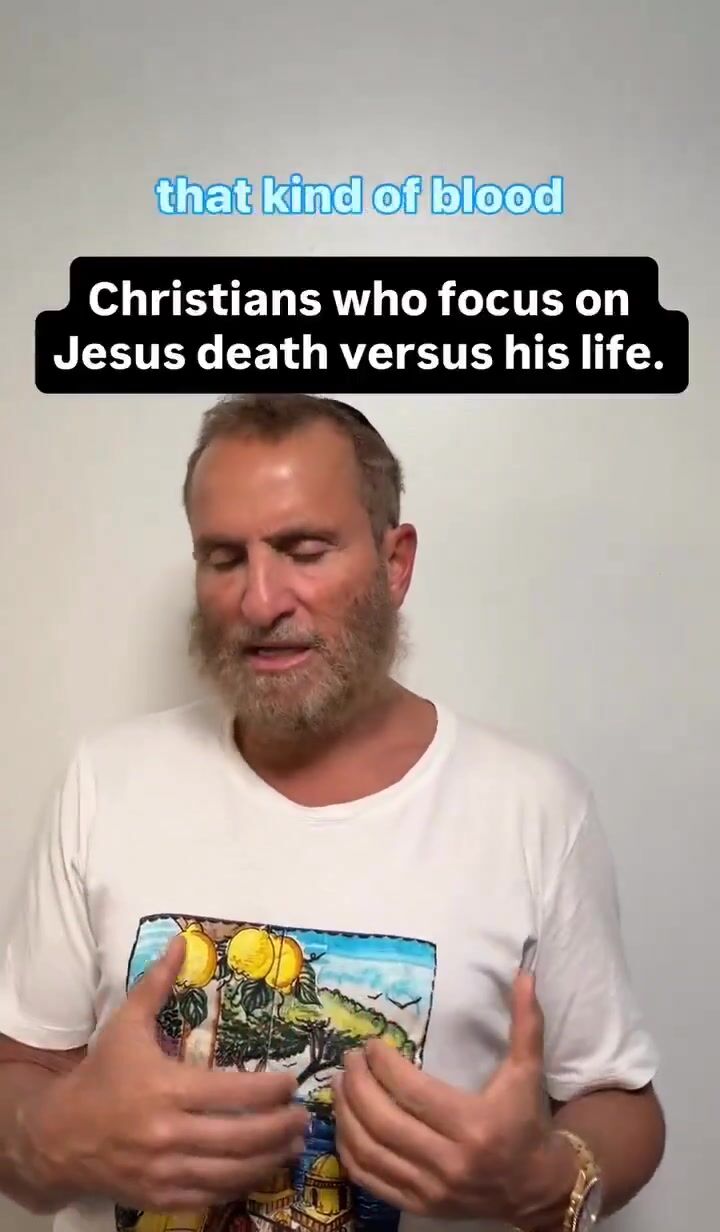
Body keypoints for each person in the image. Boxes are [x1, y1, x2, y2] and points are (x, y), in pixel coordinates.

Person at [0, 393, 664, 1232]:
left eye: (304, 550)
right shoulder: (106, 782)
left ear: (395, 563)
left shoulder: (532, 807)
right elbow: (22, 1067)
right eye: (223, 558)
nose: (260, 600)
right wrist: (54, 1141)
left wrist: (547, 1178)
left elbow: (621, 1102)